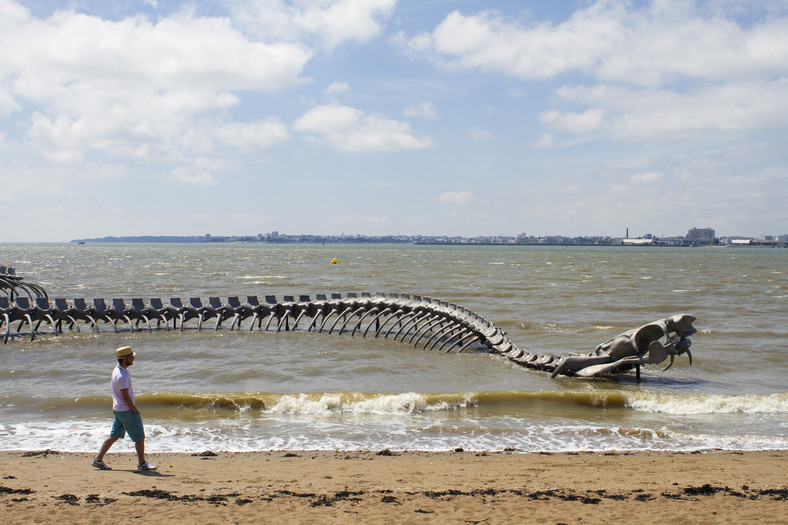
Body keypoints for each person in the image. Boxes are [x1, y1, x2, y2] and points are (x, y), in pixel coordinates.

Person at [92, 345, 156, 471]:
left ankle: (98, 460)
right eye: (131, 357)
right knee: (139, 438)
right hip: (125, 410)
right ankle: (142, 463)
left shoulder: (117, 371)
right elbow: (126, 397)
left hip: (118, 409)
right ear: (125, 359)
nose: (133, 359)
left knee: (114, 435)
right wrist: (134, 410)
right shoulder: (123, 376)